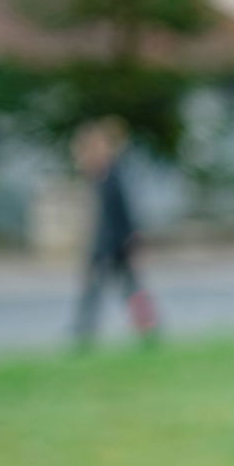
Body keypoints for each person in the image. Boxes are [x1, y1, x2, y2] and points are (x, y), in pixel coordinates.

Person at [71, 118, 158, 348]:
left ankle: (146, 328)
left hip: (113, 245)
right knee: (104, 291)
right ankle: (85, 331)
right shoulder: (102, 175)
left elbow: (122, 211)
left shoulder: (111, 176)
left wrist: (130, 239)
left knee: (123, 289)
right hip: (105, 245)